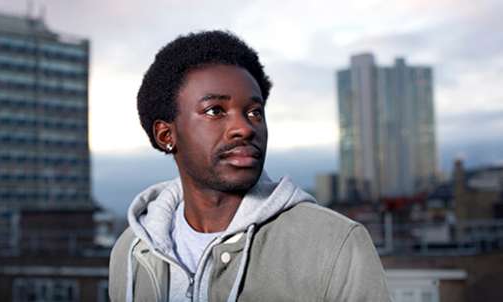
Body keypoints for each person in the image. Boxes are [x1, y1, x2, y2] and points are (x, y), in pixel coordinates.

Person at [109, 30, 391, 302]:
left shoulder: (335, 243)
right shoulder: (130, 251)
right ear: (166, 135)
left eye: (254, 112)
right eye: (215, 111)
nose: (244, 128)